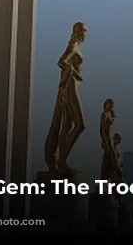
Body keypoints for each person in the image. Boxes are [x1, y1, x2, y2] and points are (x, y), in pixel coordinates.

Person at [44, 22, 88, 173]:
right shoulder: (74, 46)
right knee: (80, 125)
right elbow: (61, 61)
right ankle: (62, 160)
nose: (86, 33)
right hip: (71, 90)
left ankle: (62, 162)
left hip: (71, 89)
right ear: (80, 32)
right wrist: (73, 72)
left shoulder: (75, 46)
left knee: (66, 127)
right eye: (84, 30)